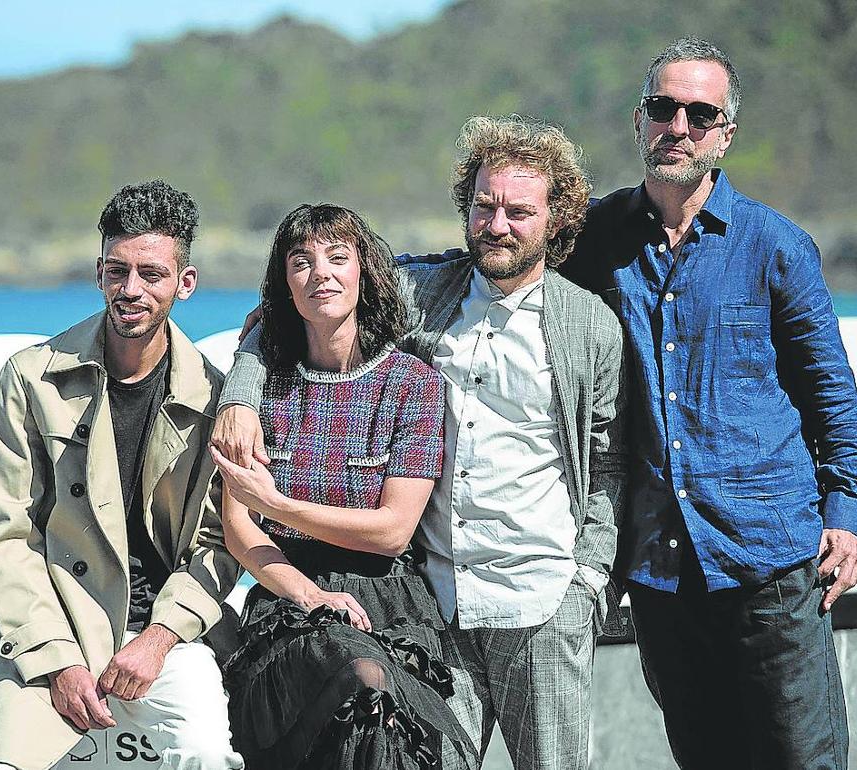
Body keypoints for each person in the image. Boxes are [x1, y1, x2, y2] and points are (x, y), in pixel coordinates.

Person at [215, 118, 628, 769]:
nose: (498, 224)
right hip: (437, 604)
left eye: (519, 211)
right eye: (485, 205)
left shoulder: (590, 325)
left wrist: (589, 579)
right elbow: (288, 311)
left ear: (556, 219)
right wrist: (241, 393)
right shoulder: (420, 293)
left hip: (542, 606)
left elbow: (608, 467)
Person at [559, 37, 857, 769]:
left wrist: (849, 515)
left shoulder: (775, 248)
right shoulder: (593, 241)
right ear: (637, 121)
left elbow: (834, 401)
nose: (679, 126)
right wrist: (319, 304)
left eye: (700, 113)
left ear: (726, 133)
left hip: (771, 560)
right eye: (663, 108)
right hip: (661, 574)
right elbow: (494, 257)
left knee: (805, 760)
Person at [0, 180, 244, 770]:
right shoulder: (31, 379)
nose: (131, 290)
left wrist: (159, 639)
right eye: (117, 271)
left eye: (152, 273)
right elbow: (6, 535)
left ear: (184, 283)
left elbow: (218, 545)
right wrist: (56, 659)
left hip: (162, 635)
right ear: (99, 273)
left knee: (206, 755)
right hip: (51, 626)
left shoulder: (215, 399)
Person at [209, 203, 476, 770]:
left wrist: (279, 504)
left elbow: (392, 531)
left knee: (393, 718)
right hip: (289, 601)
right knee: (356, 677)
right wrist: (309, 596)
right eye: (301, 262)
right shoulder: (258, 391)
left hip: (392, 604)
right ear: (284, 282)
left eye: (338, 257)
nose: (321, 273)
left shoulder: (412, 384)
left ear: (364, 270)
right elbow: (239, 531)